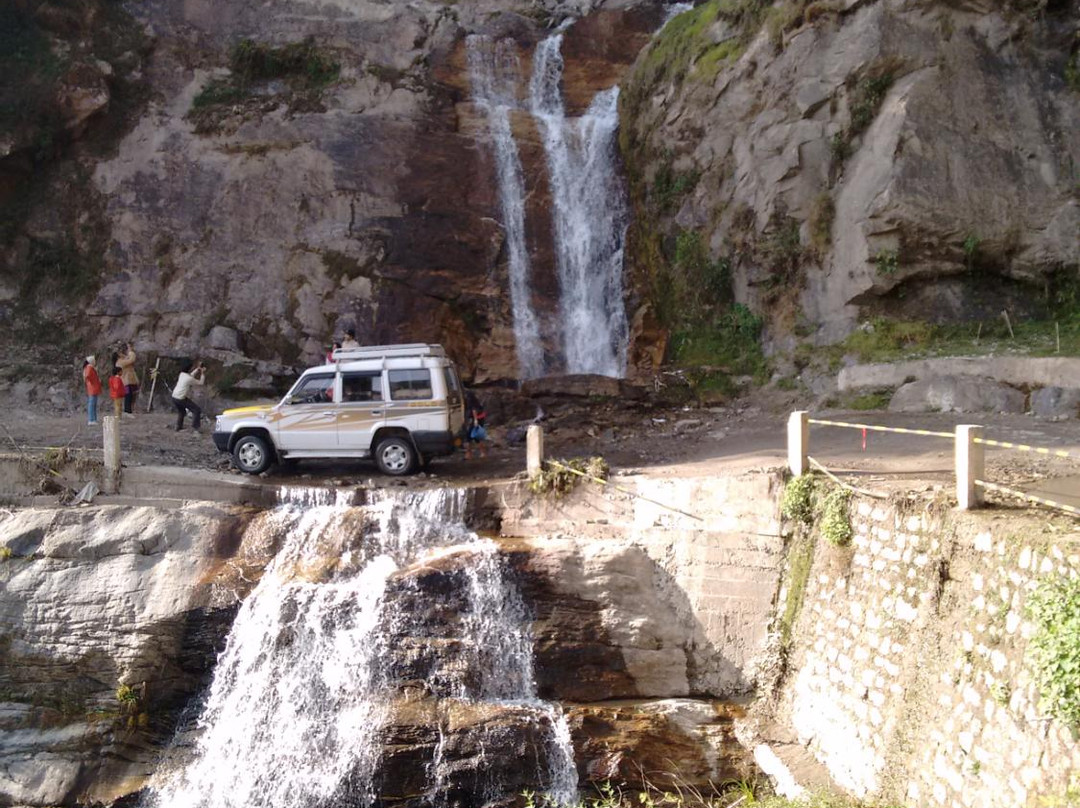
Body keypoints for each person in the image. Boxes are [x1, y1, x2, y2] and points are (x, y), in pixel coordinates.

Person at [171, 359, 206, 431]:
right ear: (189, 368)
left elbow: (190, 375)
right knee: (197, 410)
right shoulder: (189, 378)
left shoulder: (182, 374)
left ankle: (178, 426)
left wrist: (197, 369)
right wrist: (202, 373)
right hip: (181, 398)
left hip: (174, 396)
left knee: (182, 411)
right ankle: (196, 428)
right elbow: (201, 382)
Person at [463, 389, 488, 460]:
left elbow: (474, 410)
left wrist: (475, 420)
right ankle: (482, 453)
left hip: (476, 419)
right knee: (476, 437)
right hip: (479, 419)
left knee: (469, 437)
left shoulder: (470, 400)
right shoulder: (475, 401)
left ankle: (469, 454)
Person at [116, 343, 140, 415]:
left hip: (130, 381)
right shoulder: (120, 362)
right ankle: (127, 411)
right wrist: (131, 352)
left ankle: (130, 410)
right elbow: (131, 360)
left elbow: (129, 358)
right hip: (126, 381)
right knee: (128, 396)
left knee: (132, 395)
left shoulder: (124, 359)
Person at [82, 356, 102, 425]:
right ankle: (91, 419)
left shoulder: (88, 367)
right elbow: (88, 376)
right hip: (93, 387)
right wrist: (92, 381)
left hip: (92, 387)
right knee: (92, 404)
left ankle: (93, 419)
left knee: (93, 403)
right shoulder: (89, 367)